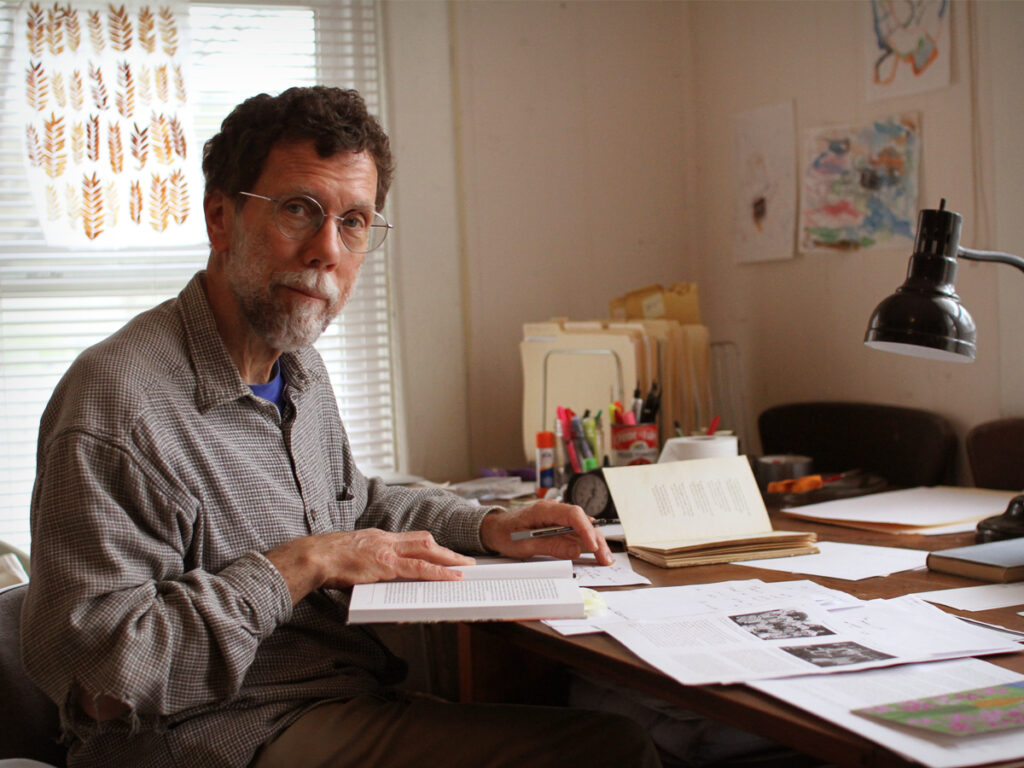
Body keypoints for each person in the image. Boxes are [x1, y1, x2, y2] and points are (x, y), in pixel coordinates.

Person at [21, 86, 661, 768]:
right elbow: (104, 681)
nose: (327, 249)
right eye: (300, 209)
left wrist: (488, 526)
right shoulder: (117, 403)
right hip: (217, 738)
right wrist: (302, 564)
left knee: (581, 717)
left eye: (354, 221)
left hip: (336, 700)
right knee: (607, 749)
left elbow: (355, 508)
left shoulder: (297, 368)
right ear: (220, 218)